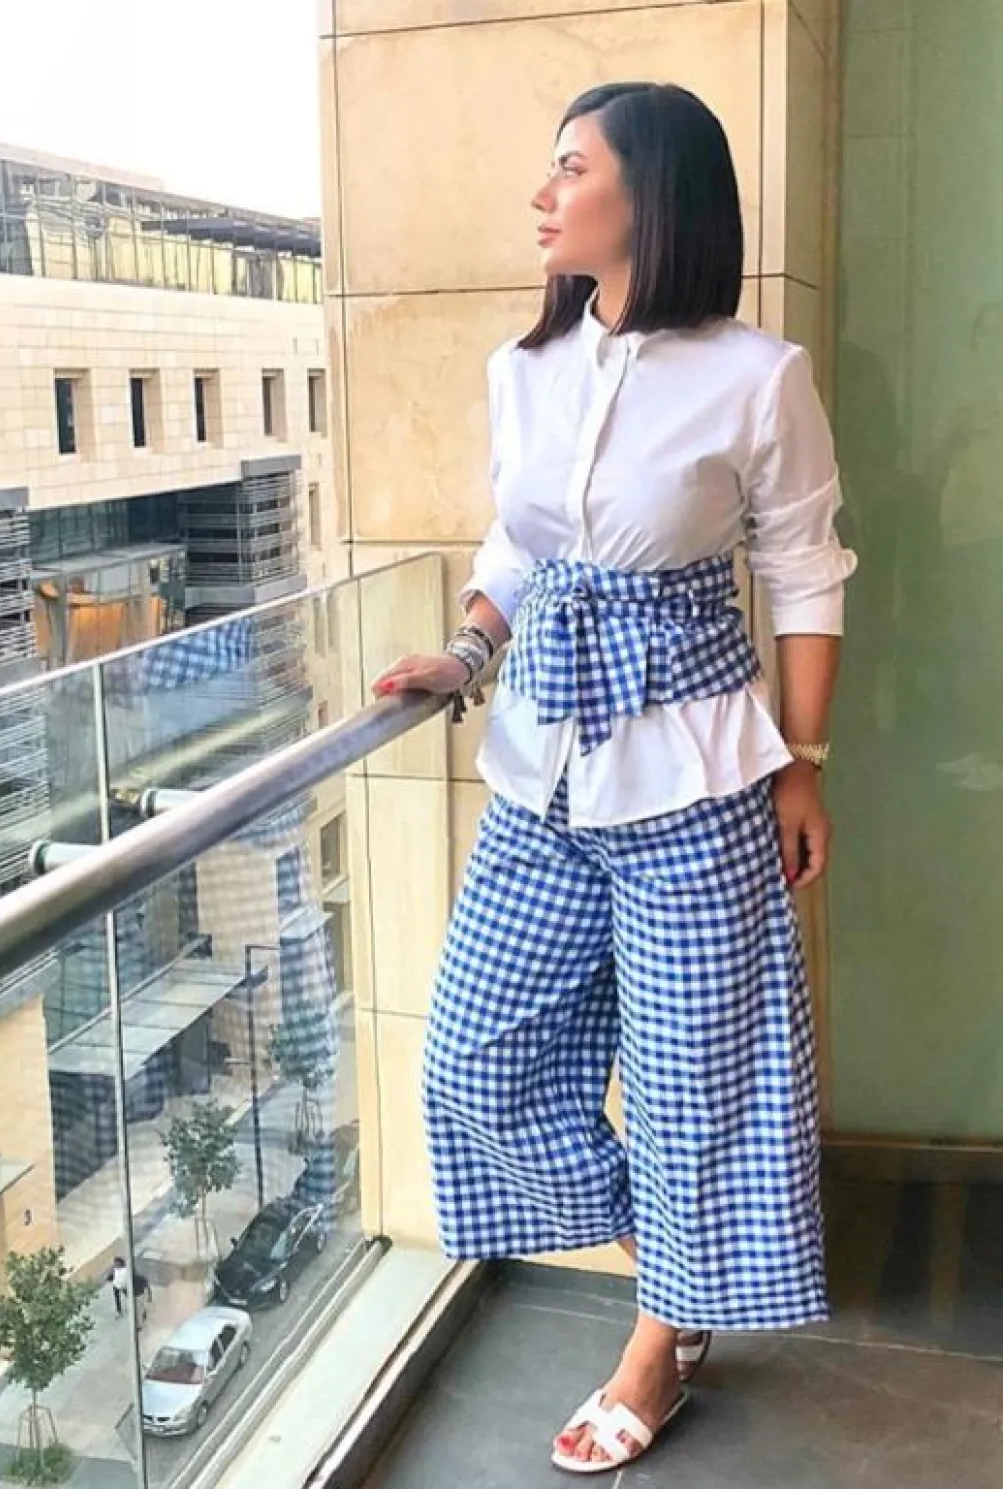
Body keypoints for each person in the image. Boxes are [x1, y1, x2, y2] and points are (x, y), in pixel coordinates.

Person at [373, 82, 856, 1475]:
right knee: (477, 1055)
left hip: (699, 783)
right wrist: (468, 651)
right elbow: (520, 547)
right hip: (541, 773)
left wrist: (803, 767)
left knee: (695, 1081)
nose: (542, 194)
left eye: (570, 169)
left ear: (652, 192)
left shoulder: (758, 375)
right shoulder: (524, 367)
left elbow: (804, 572)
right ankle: (688, 1259)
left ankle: (664, 1336)